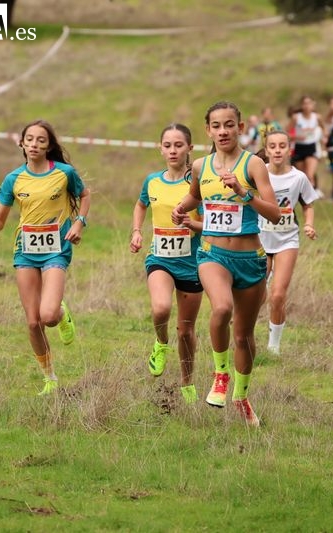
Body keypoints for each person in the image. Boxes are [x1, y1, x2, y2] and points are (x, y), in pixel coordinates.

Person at [171, 101, 280, 426]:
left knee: (244, 337)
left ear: (240, 128)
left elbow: (275, 213)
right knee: (221, 309)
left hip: (250, 260)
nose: (223, 131)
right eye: (216, 126)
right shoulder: (200, 166)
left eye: (229, 125)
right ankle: (220, 376)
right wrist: (181, 208)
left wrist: (243, 193)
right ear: (208, 130)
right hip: (212, 255)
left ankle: (241, 397)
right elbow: (195, 196)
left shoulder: (253, 165)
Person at [0, 119, 91, 396]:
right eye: (29, 139)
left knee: (48, 316)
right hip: (26, 251)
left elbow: (85, 195)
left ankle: (61, 314)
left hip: (56, 248)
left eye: (41, 140)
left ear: (49, 145)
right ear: (21, 143)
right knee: (33, 322)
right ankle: (50, 378)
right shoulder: (13, 179)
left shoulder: (64, 173)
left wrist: (79, 223)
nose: (34, 144)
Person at [130, 124, 203, 404]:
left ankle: (187, 382)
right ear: (160, 148)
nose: (173, 150)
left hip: (192, 263)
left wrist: (191, 223)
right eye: (168, 145)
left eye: (178, 145)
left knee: (186, 331)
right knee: (160, 308)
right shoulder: (152, 181)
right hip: (160, 259)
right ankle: (161, 343)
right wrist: (137, 231)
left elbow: (209, 224)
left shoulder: (197, 185)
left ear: (189, 149)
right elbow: (141, 205)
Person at [257, 130, 318, 355]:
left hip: (287, 239)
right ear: (266, 150)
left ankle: (273, 346)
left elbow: (308, 204)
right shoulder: (258, 172)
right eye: (272, 146)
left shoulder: (298, 177)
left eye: (282, 146)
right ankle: (245, 335)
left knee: (278, 295)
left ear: (289, 149)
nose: (277, 150)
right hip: (260, 239)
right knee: (256, 295)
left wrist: (309, 224)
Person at [288, 95, 322, 189]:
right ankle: (306, 194)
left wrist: (323, 138)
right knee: (303, 177)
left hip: (312, 147)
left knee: (310, 175)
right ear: (301, 105)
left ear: (312, 105)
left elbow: (324, 130)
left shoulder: (317, 117)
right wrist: (297, 137)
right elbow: (286, 134)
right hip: (299, 148)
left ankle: (313, 193)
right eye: (304, 104)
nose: (307, 106)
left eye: (309, 103)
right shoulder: (296, 118)